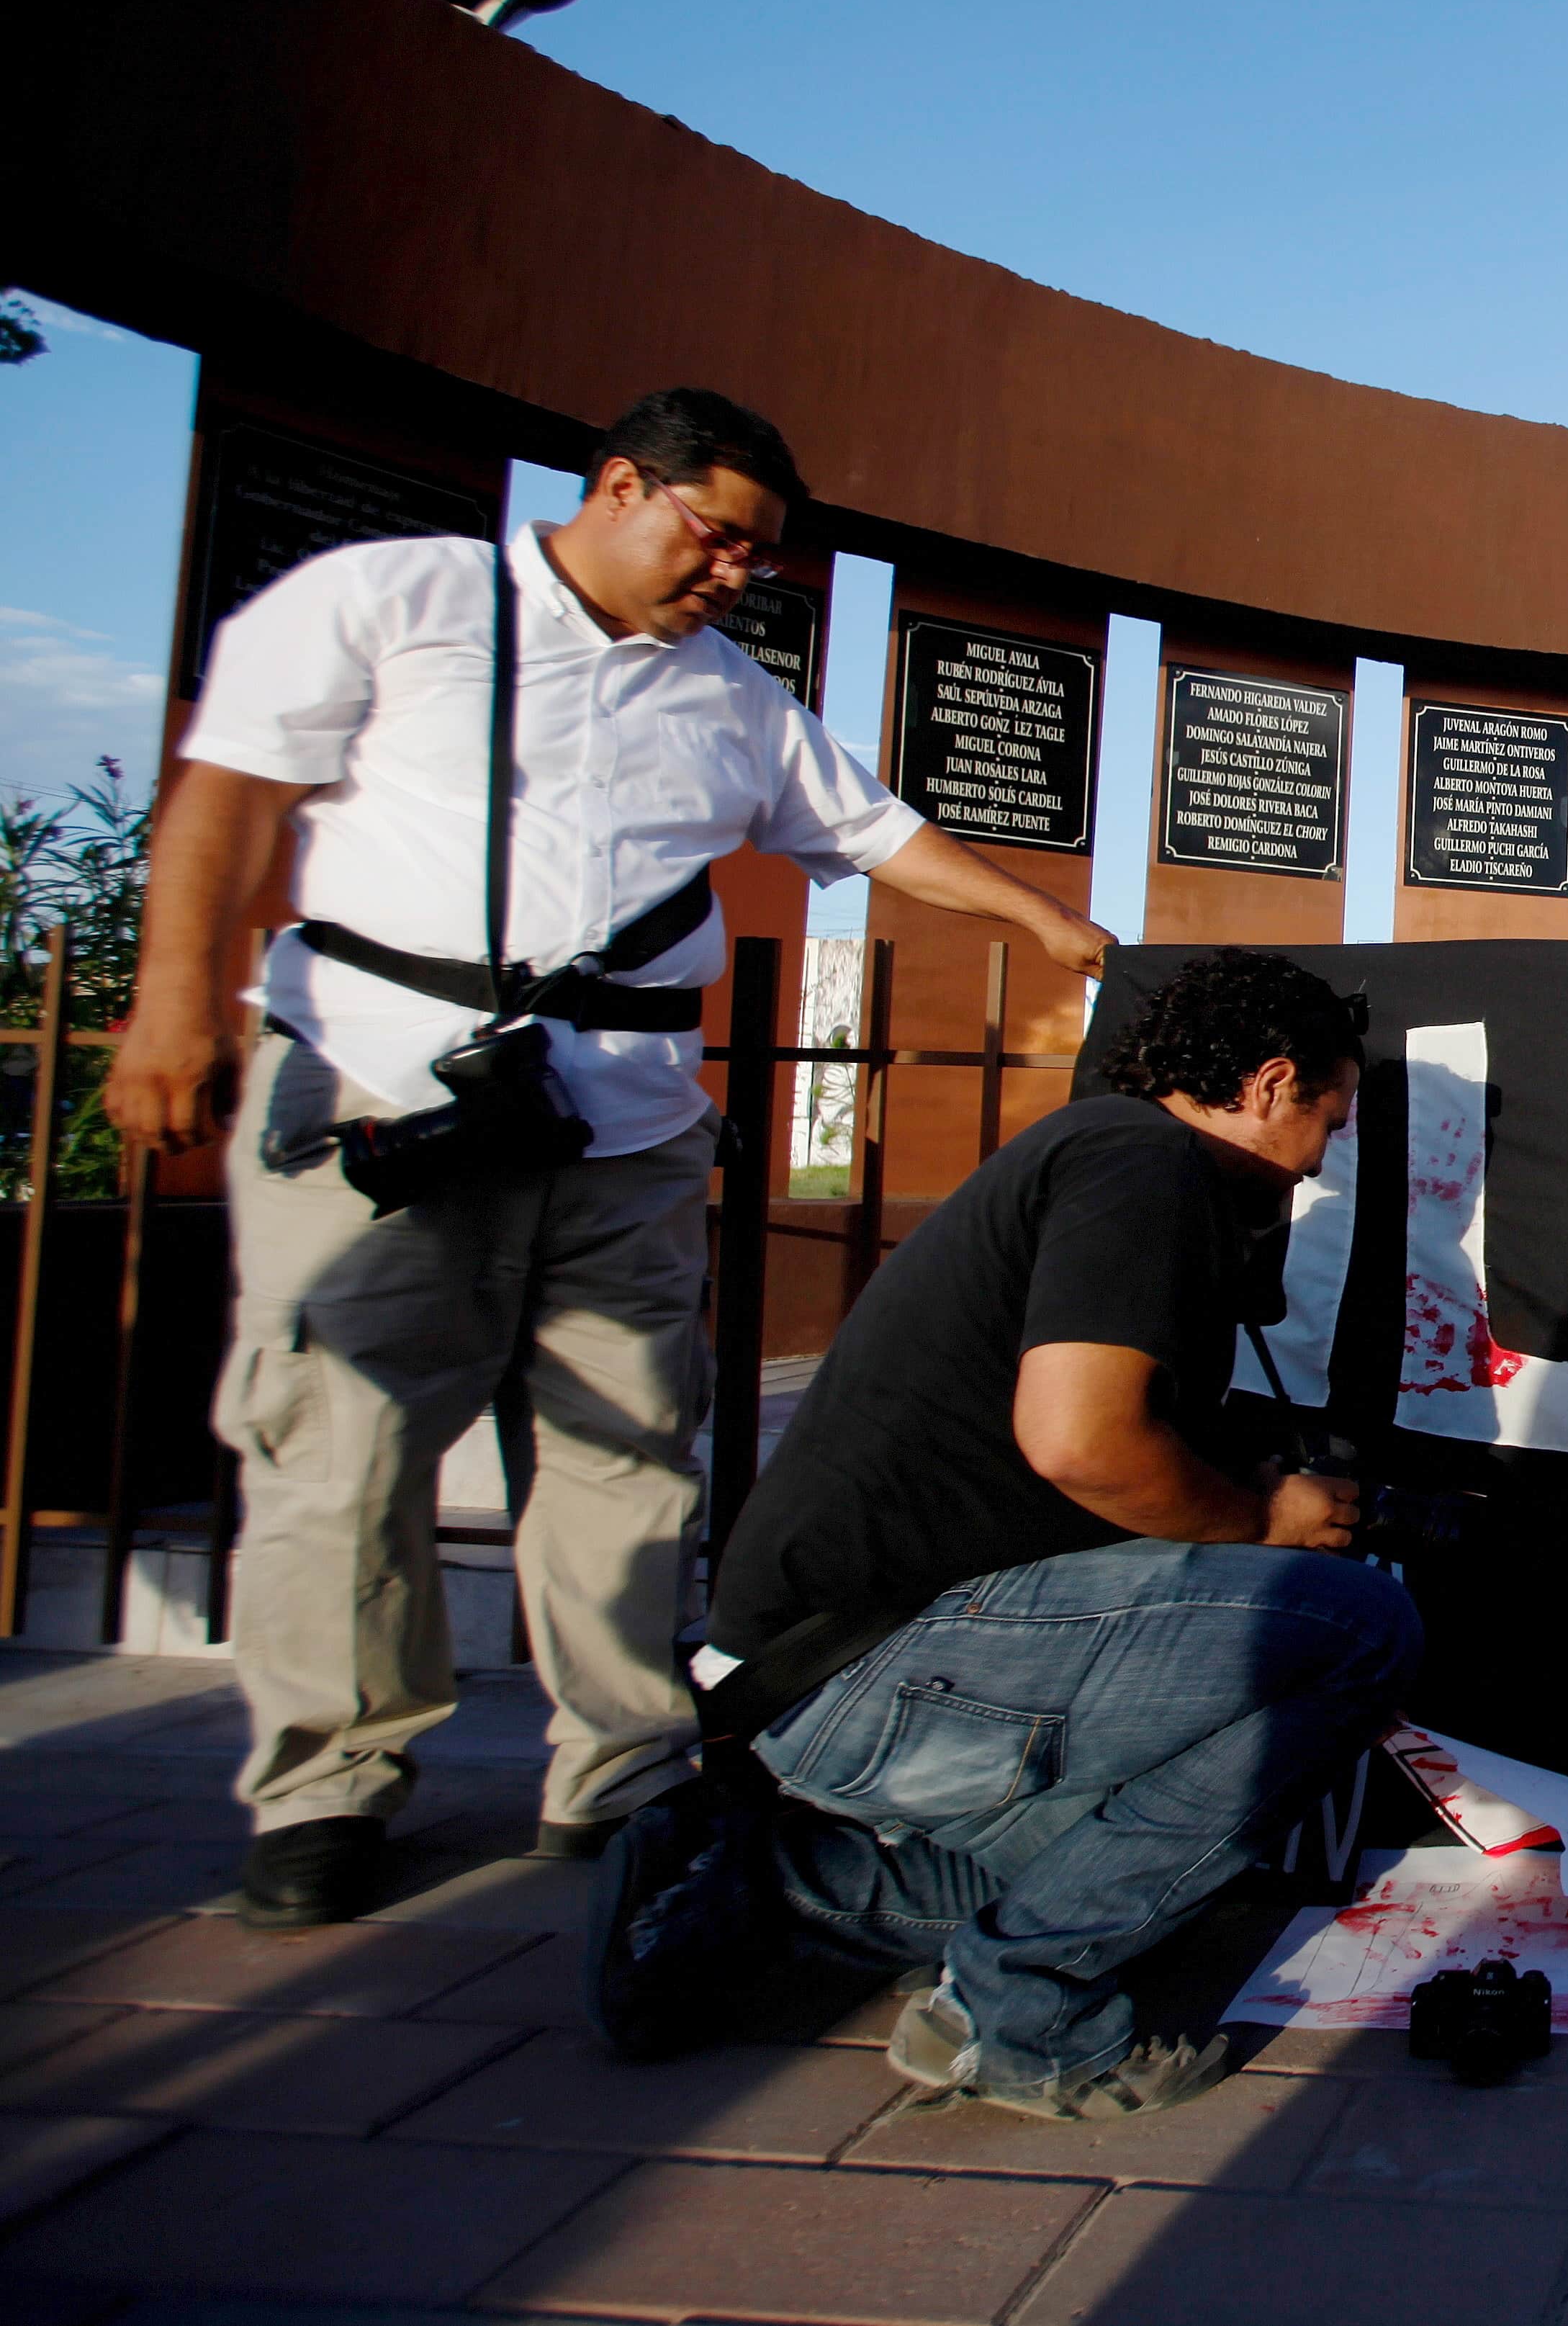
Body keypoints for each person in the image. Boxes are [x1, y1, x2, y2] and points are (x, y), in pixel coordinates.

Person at [106, 387, 1117, 1931]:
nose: (736, 576)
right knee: (340, 1452)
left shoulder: (730, 696)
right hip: (387, 1092)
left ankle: (618, 1767)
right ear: (621, 484)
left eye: (759, 561)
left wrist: (1038, 919)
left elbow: (873, 833)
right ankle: (329, 1786)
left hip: (623, 1119)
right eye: (719, 539)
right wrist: (173, 998)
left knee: (628, 1458)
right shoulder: (398, 599)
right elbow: (230, 794)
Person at [620, 949, 1413, 2119]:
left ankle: (760, 1889)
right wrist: (1264, 1516)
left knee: (1153, 1859)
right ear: (1269, 1082)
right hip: (865, 1662)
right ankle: (1019, 2011)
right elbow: (1081, 1442)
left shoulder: (1095, 1160)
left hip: (809, 1671)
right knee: (1357, 1630)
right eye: (1328, 1117)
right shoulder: (1137, 1162)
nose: (1325, 1150)